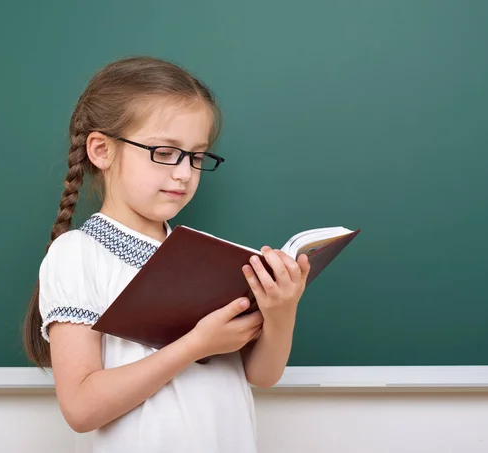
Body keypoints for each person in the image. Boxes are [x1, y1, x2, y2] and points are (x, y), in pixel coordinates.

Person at [23, 55, 311, 452]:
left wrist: (282, 311)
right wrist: (196, 345)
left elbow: (261, 375)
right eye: (164, 152)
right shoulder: (77, 253)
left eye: (196, 156)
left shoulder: (203, 257)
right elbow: (81, 407)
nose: (184, 173)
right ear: (102, 150)